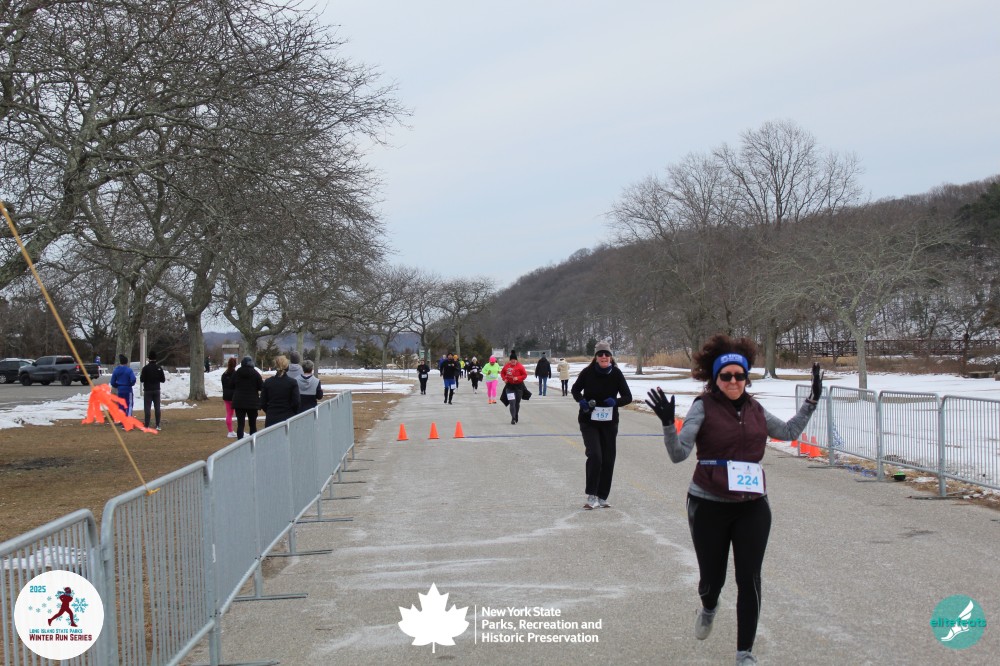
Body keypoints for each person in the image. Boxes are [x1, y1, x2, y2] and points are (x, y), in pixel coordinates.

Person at [645, 335, 823, 666]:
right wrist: (669, 424)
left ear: (746, 378)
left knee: (749, 579)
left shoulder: (756, 409)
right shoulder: (703, 407)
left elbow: (788, 432)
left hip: (752, 506)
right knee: (712, 580)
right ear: (715, 378)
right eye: (725, 376)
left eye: (739, 375)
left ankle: (744, 653)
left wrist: (811, 402)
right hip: (708, 504)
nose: (733, 381)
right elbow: (678, 454)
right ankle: (709, 606)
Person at [571, 341, 632, 510]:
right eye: (600, 354)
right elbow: (575, 390)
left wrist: (616, 402)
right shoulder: (588, 372)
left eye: (606, 354)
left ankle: (602, 496)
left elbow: (628, 397)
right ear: (596, 357)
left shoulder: (616, 374)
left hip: (609, 423)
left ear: (610, 357)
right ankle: (592, 495)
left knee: (608, 458)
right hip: (589, 420)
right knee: (595, 455)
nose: (603, 357)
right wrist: (582, 401)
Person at [261, 355, 300, 426]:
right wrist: (292, 412)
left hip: (271, 417)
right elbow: (296, 402)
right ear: (287, 367)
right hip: (288, 417)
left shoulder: (268, 382)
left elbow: (263, 402)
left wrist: (269, 411)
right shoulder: (292, 382)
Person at [231, 356, 263, 439]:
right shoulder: (255, 373)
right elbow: (261, 386)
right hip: (252, 402)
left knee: (240, 424)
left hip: (239, 402)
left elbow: (231, 384)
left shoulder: (237, 373)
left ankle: (239, 441)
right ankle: (253, 441)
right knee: (252, 424)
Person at [139, 350, 166, 430]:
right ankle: (158, 425)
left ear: (149, 358)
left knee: (147, 408)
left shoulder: (145, 368)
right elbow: (163, 380)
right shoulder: (159, 368)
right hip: (157, 389)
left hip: (148, 390)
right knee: (157, 407)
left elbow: (142, 379)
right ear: (156, 358)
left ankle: (147, 425)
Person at [500, 351, 528, 424]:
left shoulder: (520, 366)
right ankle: (513, 418)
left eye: (514, 360)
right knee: (512, 402)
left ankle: (516, 415)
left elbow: (524, 375)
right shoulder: (507, 366)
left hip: (518, 387)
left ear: (516, 360)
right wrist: (504, 379)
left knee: (517, 403)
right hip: (509, 386)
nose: (513, 361)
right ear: (510, 360)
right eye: (512, 360)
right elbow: (502, 373)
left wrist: (518, 378)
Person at [110, 354, 137, 421]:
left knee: (121, 405)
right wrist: (131, 384)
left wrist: (117, 385)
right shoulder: (129, 370)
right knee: (129, 405)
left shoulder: (116, 370)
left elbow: (112, 382)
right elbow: (133, 379)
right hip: (128, 389)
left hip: (120, 390)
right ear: (126, 362)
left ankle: (123, 421)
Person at [221, 356, 238, 437]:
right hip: (235, 396)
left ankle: (230, 431)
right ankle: (239, 430)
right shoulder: (236, 374)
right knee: (239, 414)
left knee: (229, 414)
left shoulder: (224, 375)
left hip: (226, 396)